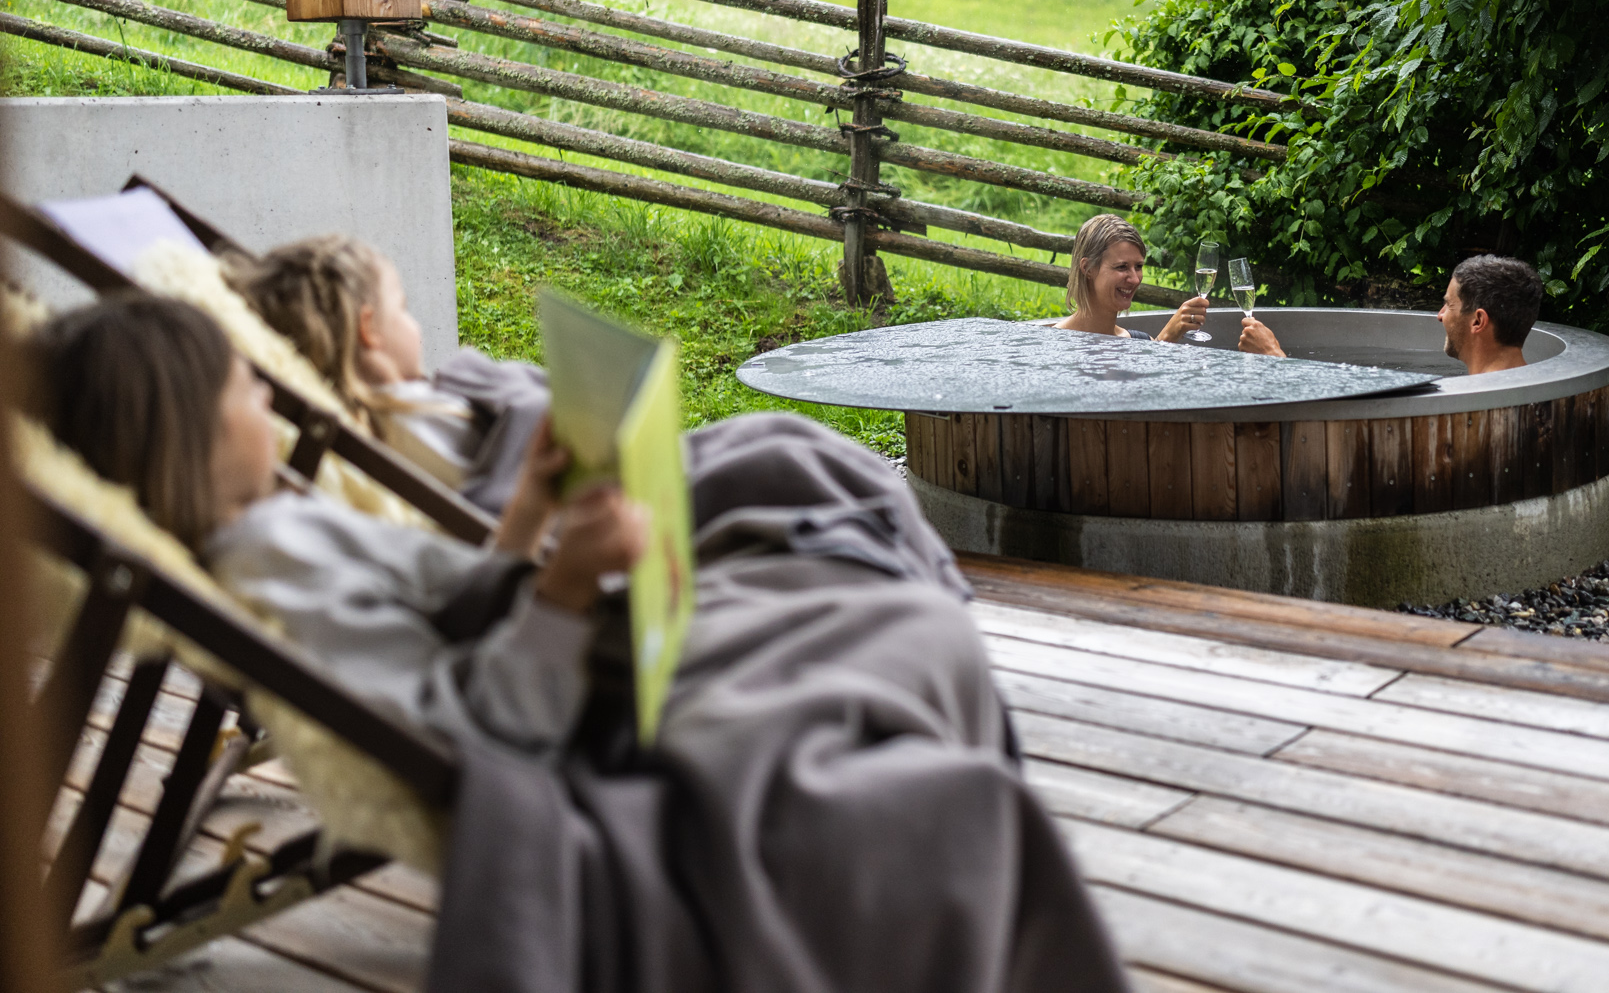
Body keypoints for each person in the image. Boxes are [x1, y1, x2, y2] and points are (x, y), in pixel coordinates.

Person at [28, 296, 1129, 993]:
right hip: (576, 720)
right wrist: (559, 584)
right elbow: (476, 725)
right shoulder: (274, 573)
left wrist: (526, 525)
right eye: (235, 382)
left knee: (822, 553)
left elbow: (450, 608)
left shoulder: (278, 528)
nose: (262, 391)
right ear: (178, 425)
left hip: (573, 658)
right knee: (893, 664)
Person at [229, 235, 549, 516]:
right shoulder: (406, 419)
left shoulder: (380, 420)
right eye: (402, 307)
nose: (414, 325)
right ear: (368, 329)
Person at [1057, 214, 1275, 354]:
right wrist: (1167, 337)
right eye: (1122, 267)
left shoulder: (1138, 342)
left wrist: (1166, 338)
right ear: (1088, 269)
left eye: (1139, 266)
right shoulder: (1054, 345)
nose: (1134, 279)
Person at [1437, 253, 1542, 374]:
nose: (1440, 315)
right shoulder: (1541, 387)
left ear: (1478, 321)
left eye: (1449, 305)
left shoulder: (1474, 392)